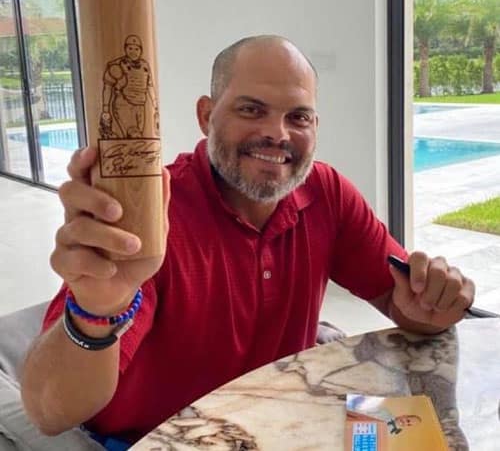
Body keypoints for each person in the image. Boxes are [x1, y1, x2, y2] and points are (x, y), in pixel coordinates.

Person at [18, 35, 474, 448]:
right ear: (205, 115)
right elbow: (50, 412)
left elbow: (402, 302)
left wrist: (426, 309)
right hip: (151, 438)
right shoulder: (154, 216)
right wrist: (97, 310)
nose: (278, 133)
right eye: (251, 109)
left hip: (275, 424)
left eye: (298, 117)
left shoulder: (327, 193)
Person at [99, 34, 159, 139]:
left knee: (138, 139)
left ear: (141, 50)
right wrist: (105, 109)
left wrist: (155, 104)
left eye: (136, 49)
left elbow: (149, 86)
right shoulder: (117, 66)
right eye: (130, 48)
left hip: (140, 105)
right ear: (125, 49)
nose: (133, 51)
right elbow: (107, 88)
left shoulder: (145, 65)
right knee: (133, 134)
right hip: (124, 104)